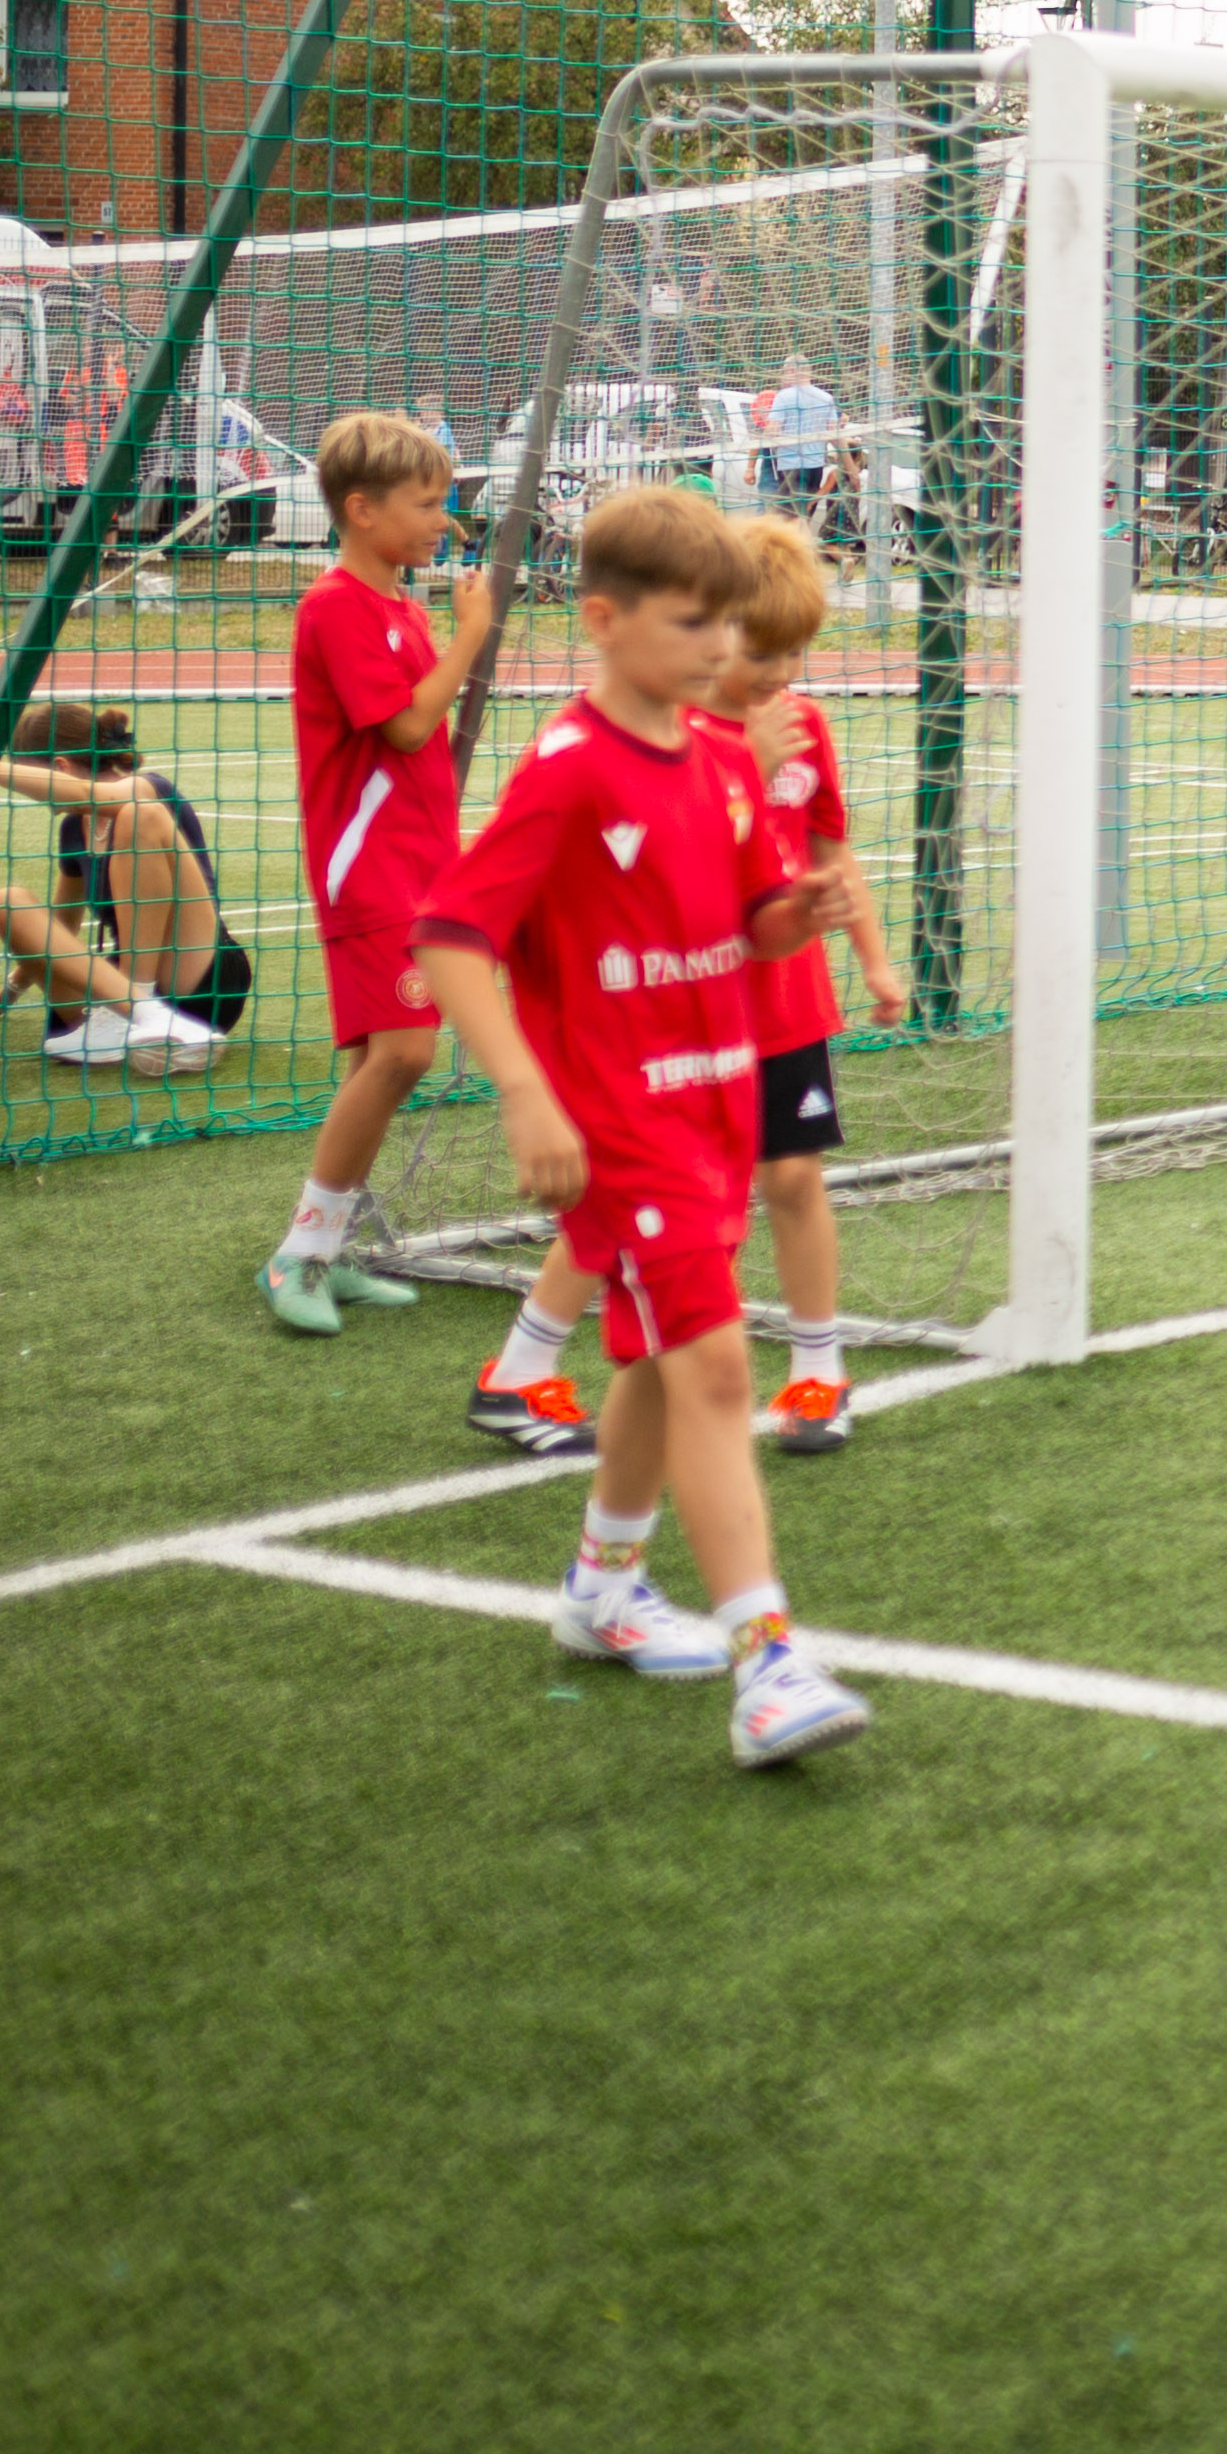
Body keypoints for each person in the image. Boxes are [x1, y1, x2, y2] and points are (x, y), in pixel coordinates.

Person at [410, 484, 870, 1767]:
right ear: (604, 621)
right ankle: (766, 1661)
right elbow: (451, 935)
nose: (721, 650)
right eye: (692, 624)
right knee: (716, 1369)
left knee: (660, 1364)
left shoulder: (720, 760)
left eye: (729, 625)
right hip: (622, 1126)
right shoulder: (567, 769)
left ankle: (603, 1587)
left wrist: (801, 913)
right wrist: (525, 1089)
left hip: (717, 1105)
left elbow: (748, 921)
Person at [269, 411, 499, 1340]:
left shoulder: (401, 605)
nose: (445, 521)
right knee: (404, 1052)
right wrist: (471, 638)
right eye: (428, 503)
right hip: (366, 865)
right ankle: (299, 1251)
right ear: (361, 511)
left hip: (418, 859)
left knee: (388, 1056)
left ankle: (330, 1243)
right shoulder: (335, 606)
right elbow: (404, 727)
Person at [724, 514, 908, 1449]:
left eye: (794, 653)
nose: (781, 674)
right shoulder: (680, 732)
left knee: (794, 1176)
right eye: (761, 652)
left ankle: (817, 1371)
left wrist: (874, 956)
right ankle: (549, 1356)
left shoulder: (806, 725)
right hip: (696, 1001)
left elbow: (831, 852)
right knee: (698, 1202)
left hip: (789, 999)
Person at [0, 701, 247, 1072]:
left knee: (139, 815)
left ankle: (139, 1005)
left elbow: (112, 799)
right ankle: (128, 1016)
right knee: (9, 903)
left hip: (198, 978)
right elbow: (59, 926)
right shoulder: (73, 828)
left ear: (59, 768)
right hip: (118, 993)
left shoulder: (148, 789)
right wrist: (4, 997)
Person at [760, 353, 839, 517]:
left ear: (791, 371)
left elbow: (772, 431)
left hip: (790, 466)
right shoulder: (827, 398)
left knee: (788, 518)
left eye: (784, 371)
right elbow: (834, 435)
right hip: (816, 466)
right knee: (805, 514)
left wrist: (765, 422)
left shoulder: (783, 397)